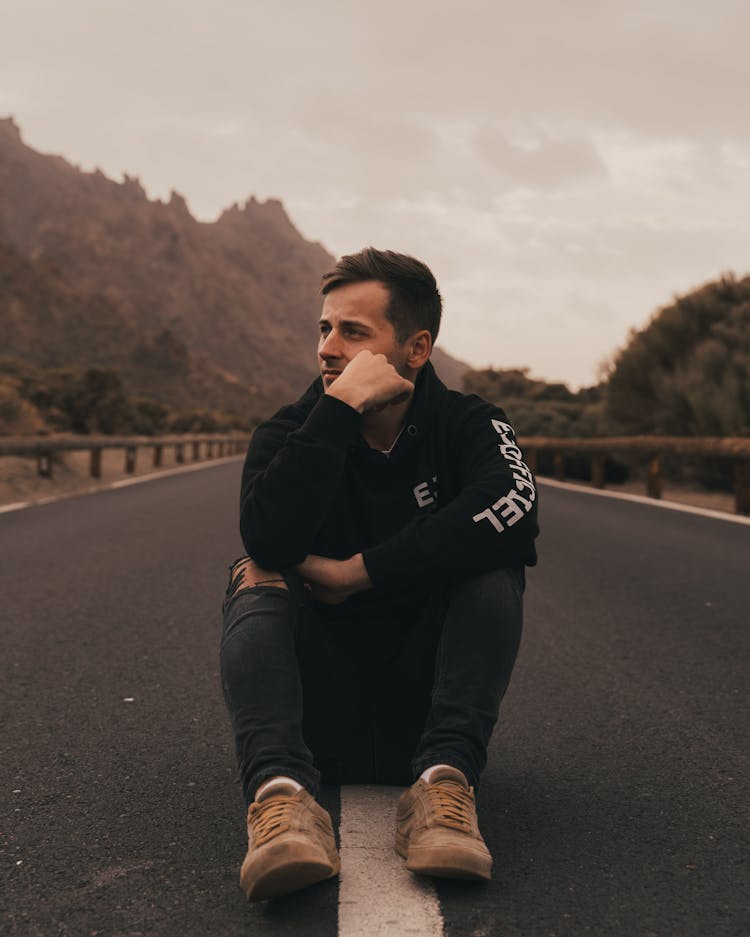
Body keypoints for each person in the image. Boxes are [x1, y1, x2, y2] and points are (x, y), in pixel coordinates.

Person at [220, 247, 539, 902]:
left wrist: (360, 571)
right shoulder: (289, 433)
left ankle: (445, 787)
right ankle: (280, 800)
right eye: (324, 328)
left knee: (493, 563)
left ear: (416, 348)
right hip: (318, 719)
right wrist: (336, 413)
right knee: (256, 571)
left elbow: (515, 509)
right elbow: (267, 535)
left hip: (419, 718)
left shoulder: (470, 425)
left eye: (354, 332)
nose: (328, 348)